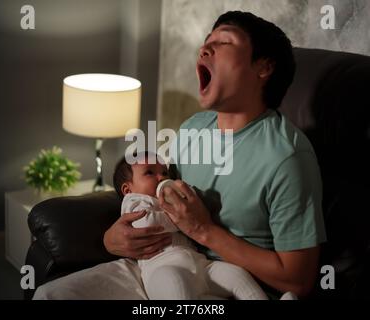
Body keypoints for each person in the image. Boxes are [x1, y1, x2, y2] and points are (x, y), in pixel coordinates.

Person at [33, 11, 326, 300]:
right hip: (157, 266)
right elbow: (146, 187)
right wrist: (112, 239)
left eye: (224, 42)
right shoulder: (193, 128)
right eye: (206, 41)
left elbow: (297, 280)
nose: (204, 48)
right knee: (50, 294)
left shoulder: (287, 157)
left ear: (263, 67)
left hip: (228, 283)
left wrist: (204, 231)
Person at [113, 151, 271, 300]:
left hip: (200, 265)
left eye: (164, 172)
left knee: (237, 275)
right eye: (150, 172)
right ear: (128, 189)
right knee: (173, 282)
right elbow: (146, 223)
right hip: (163, 268)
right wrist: (185, 218)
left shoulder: (170, 199)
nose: (161, 177)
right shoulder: (135, 202)